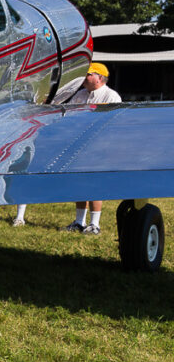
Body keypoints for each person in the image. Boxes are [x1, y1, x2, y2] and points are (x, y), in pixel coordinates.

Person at [62, 62, 121, 235]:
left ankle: (95, 224)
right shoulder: (80, 94)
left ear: (99, 78)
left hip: (100, 146)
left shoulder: (111, 96)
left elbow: (113, 123)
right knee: (79, 183)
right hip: (80, 145)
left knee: (95, 184)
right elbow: (70, 116)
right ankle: (79, 222)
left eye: (88, 74)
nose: (85, 78)